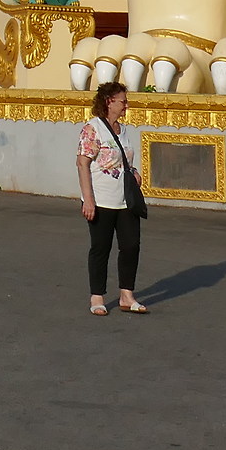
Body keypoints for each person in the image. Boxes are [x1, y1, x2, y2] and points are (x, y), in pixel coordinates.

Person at [76, 80, 149, 315]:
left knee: (131, 246)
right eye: (123, 101)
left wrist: (134, 172)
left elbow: (124, 161)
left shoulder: (123, 130)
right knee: (101, 247)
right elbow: (82, 163)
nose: (126, 105)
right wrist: (88, 199)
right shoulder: (92, 128)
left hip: (125, 200)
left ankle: (126, 295)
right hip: (101, 199)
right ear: (109, 101)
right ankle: (97, 297)